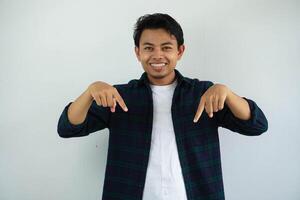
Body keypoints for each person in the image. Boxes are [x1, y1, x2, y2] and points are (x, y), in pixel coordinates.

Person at [57, 13, 268, 200]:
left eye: (166, 47)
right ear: (137, 52)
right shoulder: (119, 97)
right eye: (149, 48)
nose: (157, 55)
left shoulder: (204, 94)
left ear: (180, 51)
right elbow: (68, 127)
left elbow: (256, 125)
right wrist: (90, 91)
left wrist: (228, 93)